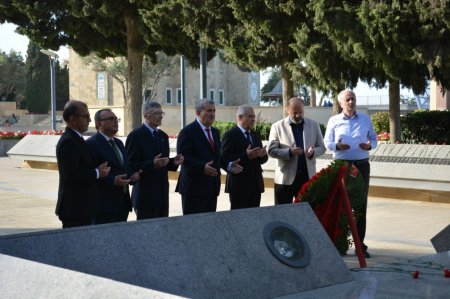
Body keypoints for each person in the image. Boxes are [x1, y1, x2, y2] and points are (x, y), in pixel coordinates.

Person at [323, 89, 378, 258]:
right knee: (340, 204)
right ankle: (339, 243)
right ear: (340, 103)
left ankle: (360, 245)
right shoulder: (334, 120)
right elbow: (327, 143)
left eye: (353, 99)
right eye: (347, 100)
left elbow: (374, 140)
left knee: (360, 206)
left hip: (361, 166)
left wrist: (369, 146)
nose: (351, 102)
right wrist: (337, 146)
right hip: (342, 166)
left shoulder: (365, 119)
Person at [176, 99, 242, 215]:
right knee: (194, 226)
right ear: (198, 113)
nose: (212, 114)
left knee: (209, 226)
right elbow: (183, 157)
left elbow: (216, 156)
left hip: (212, 188)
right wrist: (202, 167)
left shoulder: (215, 132)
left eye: (214, 111)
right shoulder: (187, 132)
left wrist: (228, 164)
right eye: (208, 111)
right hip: (193, 189)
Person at [55, 100, 110, 228]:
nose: (89, 120)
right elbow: (71, 175)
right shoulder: (68, 141)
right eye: (85, 116)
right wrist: (97, 172)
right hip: (75, 208)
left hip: (83, 207)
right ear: (73, 119)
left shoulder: (77, 139)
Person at [126, 101, 183, 219]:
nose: (161, 116)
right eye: (157, 113)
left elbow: (163, 162)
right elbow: (130, 165)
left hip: (162, 195)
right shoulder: (136, 136)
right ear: (146, 116)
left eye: (161, 113)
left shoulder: (162, 135)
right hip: (145, 196)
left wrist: (173, 162)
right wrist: (151, 164)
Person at [86, 109, 141, 224]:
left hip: (122, 204)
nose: (115, 122)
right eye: (111, 119)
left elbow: (124, 167)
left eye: (116, 119)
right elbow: (89, 174)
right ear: (98, 123)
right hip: (103, 205)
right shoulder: (91, 144)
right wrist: (113, 181)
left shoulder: (119, 143)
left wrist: (132, 176)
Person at [268, 96, 326, 204]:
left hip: (307, 178)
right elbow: (271, 150)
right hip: (285, 179)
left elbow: (322, 147)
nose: (298, 115)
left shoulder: (314, 125)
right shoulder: (277, 126)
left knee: (306, 214)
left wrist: (313, 152)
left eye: (301, 112)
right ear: (287, 110)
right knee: (283, 215)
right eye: (295, 112)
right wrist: (289, 152)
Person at [220, 105, 268, 209]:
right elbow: (224, 158)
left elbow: (262, 160)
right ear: (240, 117)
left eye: (254, 117)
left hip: (255, 186)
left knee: (254, 218)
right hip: (239, 186)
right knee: (239, 220)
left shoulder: (255, 135)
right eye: (250, 116)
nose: (253, 119)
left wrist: (263, 155)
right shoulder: (229, 135)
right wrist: (246, 156)